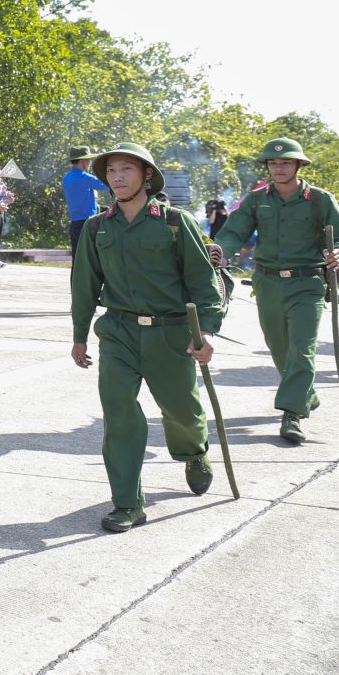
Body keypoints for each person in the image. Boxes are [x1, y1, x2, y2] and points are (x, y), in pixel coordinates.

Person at [70, 142, 225, 532]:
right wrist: (79, 335)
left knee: (182, 410)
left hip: (170, 333)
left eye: (126, 169)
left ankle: (194, 452)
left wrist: (205, 331)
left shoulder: (175, 222)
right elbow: (84, 286)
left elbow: (203, 283)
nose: (117, 177)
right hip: (118, 333)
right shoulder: (97, 226)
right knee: (119, 415)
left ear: (147, 176)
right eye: (110, 171)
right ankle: (128, 503)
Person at [209, 137, 339, 444]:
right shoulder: (257, 200)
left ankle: (291, 414)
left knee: (302, 348)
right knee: (279, 347)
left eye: (285, 162)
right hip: (267, 283)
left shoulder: (319, 199)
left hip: (307, 283)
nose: (278, 167)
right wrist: (219, 252)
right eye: (273, 163)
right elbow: (232, 234)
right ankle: (304, 394)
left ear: (298, 164)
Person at [62, 147, 111, 251]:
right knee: (90, 257)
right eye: (88, 159)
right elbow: (108, 186)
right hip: (87, 224)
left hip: (74, 224)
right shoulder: (85, 177)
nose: (89, 162)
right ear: (82, 160)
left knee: (77, 257)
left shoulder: (67, 177)